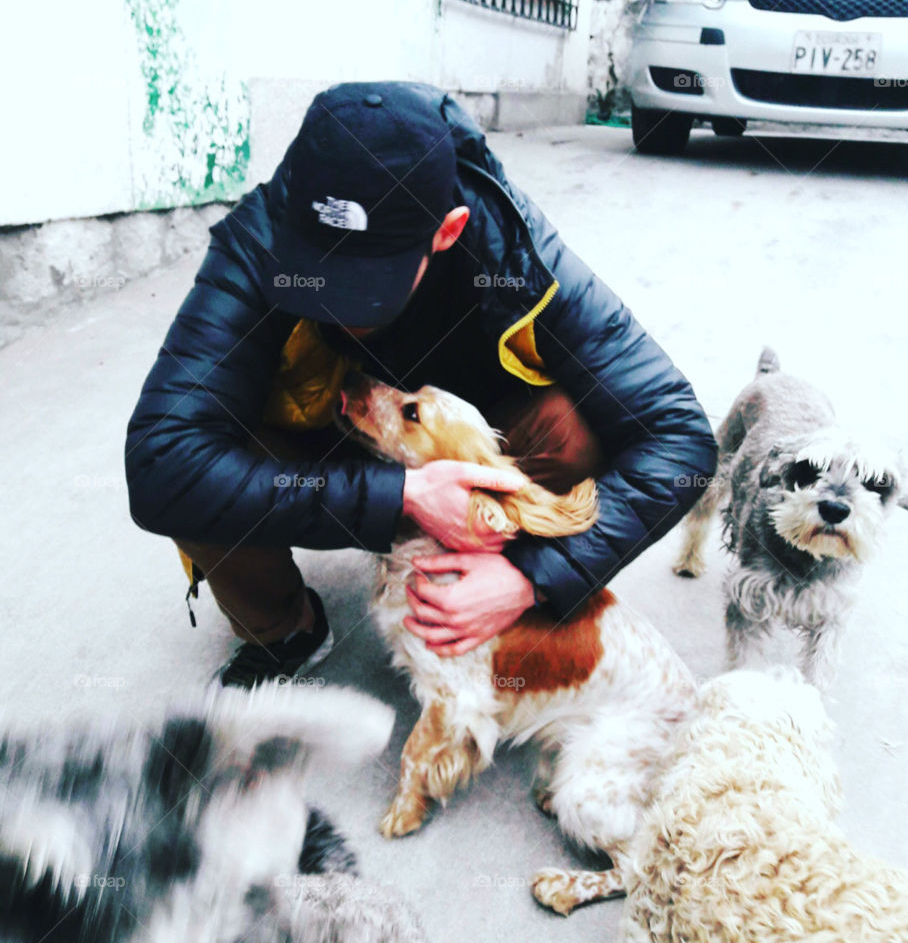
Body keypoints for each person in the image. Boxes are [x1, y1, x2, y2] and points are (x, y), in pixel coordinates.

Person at [124, 81, 717, 689]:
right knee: (194, 470)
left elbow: (680, 437)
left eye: (364, 286)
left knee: (572, 430)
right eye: (313, 273)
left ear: (448, 230)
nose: (332, 304)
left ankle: (487, 597)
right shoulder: (260, 237)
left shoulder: (515, 253)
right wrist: (400, 494)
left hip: (468, 442)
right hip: (322, 433)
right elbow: (158, 463)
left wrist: (535, 575)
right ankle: (286, 631)